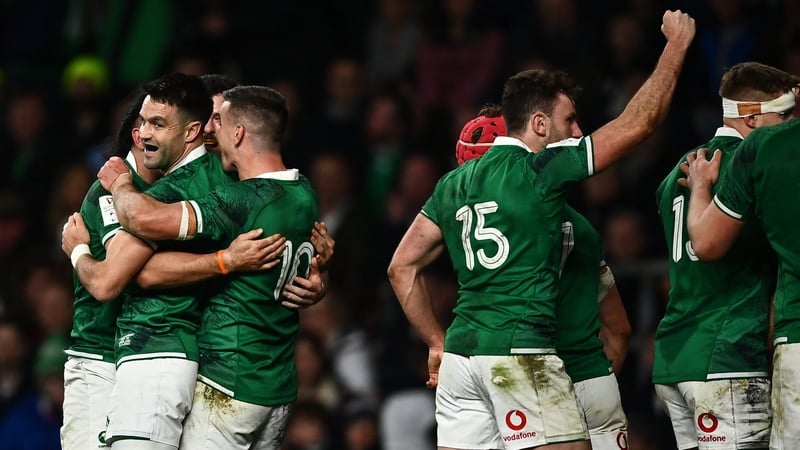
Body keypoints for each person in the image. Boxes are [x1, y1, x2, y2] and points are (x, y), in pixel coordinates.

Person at [387, 10, 695, 450]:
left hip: (460, 361)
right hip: (520, 352)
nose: (577, 131)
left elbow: (401, 267)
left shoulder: (451, 184)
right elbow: (638, 124)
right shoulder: (540, 171)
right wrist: (676, 46)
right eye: (569, 120)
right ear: (538, 124)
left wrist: (436, 342)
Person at [60, 85, 290, 450]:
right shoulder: (113, 194)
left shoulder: (188, 187)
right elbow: (110, 282)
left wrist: (314, 267)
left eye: (216, 123)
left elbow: (281, 228)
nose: (212, 134)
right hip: (100, 356)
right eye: (147, 125)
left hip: (162, 354)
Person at [456, 106, 631, 449]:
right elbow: (620, 330)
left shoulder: (473, 236)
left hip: (519, 382)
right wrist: (595, 384)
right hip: (588, 375)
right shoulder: (582, 229)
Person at [654, 62, 798, 450]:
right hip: (728, 353)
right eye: (783, 115)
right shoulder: (758, 164)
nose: (789, 126)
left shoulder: (673, 174)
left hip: (674, 355)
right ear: (750, 117)